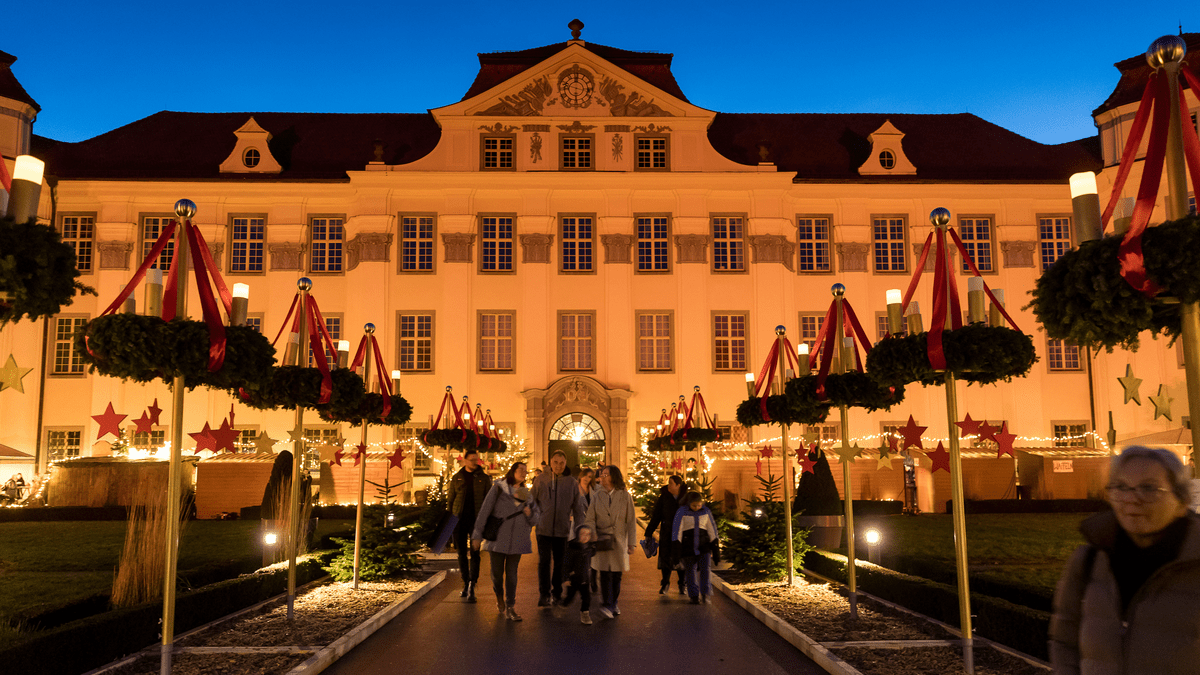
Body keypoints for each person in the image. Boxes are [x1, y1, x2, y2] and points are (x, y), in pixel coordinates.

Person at [1049, 446, 1200, 674]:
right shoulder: (1088, 561)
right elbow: (1064, 641)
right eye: (1121, 487)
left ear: (1182, 502)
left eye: (1149, 488)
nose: (1131, 499)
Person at [473, 462, 540, 622]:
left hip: (518, 539)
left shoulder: (526, 493)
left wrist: (530, 514)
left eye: (525, 471)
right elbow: (485, 510)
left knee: (511, 574)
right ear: (513, 471)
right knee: (496, 574)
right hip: (498, 539)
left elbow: (536, 518)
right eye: (520, 470)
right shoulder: (498, 488)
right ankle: (499, 596)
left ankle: (511, 606)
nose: (523, 473)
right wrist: (477, 534)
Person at [532, 450, 586, 607]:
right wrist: (534, 518)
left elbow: (578, 507)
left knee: (559, 563)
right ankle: (544, 594)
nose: (558, 466)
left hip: (562, 530)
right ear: (550, 462)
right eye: (555, 462)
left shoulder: (571, 482)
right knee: (544, 562)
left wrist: (580, 527)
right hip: (543, 529)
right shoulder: (541, 479)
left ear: (565, 463)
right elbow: (532, 500)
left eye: (562, 463)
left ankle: (556, 592)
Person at [585, 465, 637, 619]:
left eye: (606, 474)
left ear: (614, 476)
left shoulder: (625, 496)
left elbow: (631, 521)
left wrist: (631, 543)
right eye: (602, 474)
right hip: (602, 539)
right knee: (604, 573)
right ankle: (607, 604)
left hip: (619, 540)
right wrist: (592, 533)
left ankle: (613, 602)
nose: (602, 477)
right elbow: (590, 518)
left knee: (616, 575)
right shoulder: (597, 496)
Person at [447, 449, 490, 602]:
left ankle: (472, 584)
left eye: (476, 460)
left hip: (476, 521)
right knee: (461, 553)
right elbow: (450, 500)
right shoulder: (457, 478)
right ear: (464, 460)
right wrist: (450, 520)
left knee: (475, 553)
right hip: (459, 520)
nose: (474, 462)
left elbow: (488, 500)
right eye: (471, 460)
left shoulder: (484, 478)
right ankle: (465, 582)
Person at [672, 491, 721, 604]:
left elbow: (712, 530)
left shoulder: (706, 511)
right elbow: (677, 531)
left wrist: (715, 548)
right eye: (694, 505)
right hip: (688, 547)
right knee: (690, 571)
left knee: (706, 570)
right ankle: (694, 595)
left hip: (704, 546)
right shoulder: (681, 512)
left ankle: (705, 594)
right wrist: (676, 550)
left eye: (699, 505)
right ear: (688, 503)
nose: (697, 508)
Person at [645, 474, 688, 595]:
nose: (668, 485)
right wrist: (649, 532)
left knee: (681, 559)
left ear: (678, 485)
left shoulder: (686, 497)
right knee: (665, 559)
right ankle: (665, 583)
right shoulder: (664, 497)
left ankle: (682, 584)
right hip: (667, 532)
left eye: (671, 483)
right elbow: (657, 515)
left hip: (682, 534)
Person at [559, 523, 597, 624]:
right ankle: (563, 605)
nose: (585, 536)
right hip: (573, 578)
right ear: (577, 535)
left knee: (587, 598)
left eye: (588, 534)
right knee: (570, 596)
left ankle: (585, 614)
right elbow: (566, 565)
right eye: (582, 534)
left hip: (585, 578)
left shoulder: (589, 548)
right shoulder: (572, 549)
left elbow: (594, 552)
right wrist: (566, 578)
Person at [577, 467, 599, 592]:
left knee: (593, 554)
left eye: (590, 477)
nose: (587, 478)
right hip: (579, 526)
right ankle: (583, 580)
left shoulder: (595, 491)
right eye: (585, 475)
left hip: (592, 526)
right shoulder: (575, 489)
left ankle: (593, 579)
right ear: (581, 476)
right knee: (581, 555)